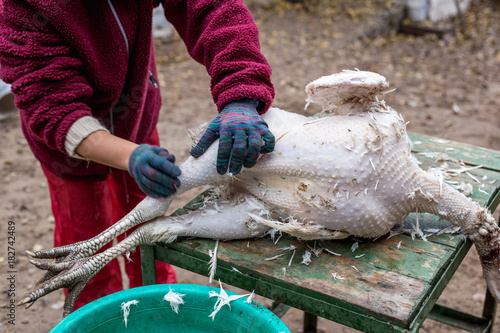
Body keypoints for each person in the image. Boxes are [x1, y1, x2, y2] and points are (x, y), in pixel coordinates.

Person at [0, 0, 275, 310]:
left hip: (134, 112)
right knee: (85, 241)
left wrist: (241, 88)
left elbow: (211, 7)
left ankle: (159, 306)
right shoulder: (20, 9)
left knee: (150, 230)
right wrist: (129, 156)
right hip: (70, 149)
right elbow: (52, 105)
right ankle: (97, 317)